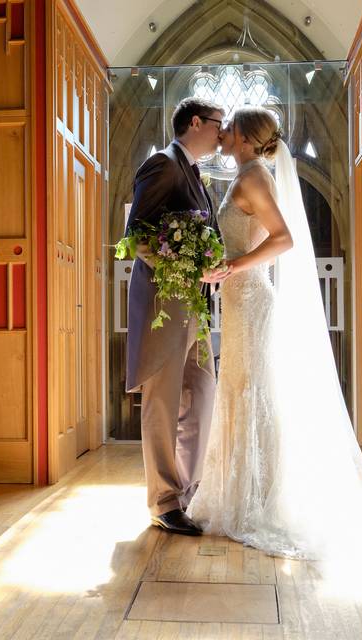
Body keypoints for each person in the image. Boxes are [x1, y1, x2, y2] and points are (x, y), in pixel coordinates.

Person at [187, 106, 362, 599]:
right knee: (242, 390)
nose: (222, 134)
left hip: (252, 301)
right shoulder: (245, 173)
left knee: (252, 392)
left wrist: (234, 265)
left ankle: (258, 500)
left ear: (245, 136)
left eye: (229, 129)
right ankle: (242, 494)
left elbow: (285, 239)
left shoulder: (254, 178)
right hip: (240, 301)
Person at [125, 97, 227, 536]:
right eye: (218, 126)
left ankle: (187, 491)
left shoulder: (194, 172)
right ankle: (163, 502)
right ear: (196, 122)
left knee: (202, 395)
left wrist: (210, 268)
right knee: (163, 402)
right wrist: (184, 265)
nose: (223, 135)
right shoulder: (163, 165)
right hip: (165, 303)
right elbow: (136, 236)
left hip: (195, 303)